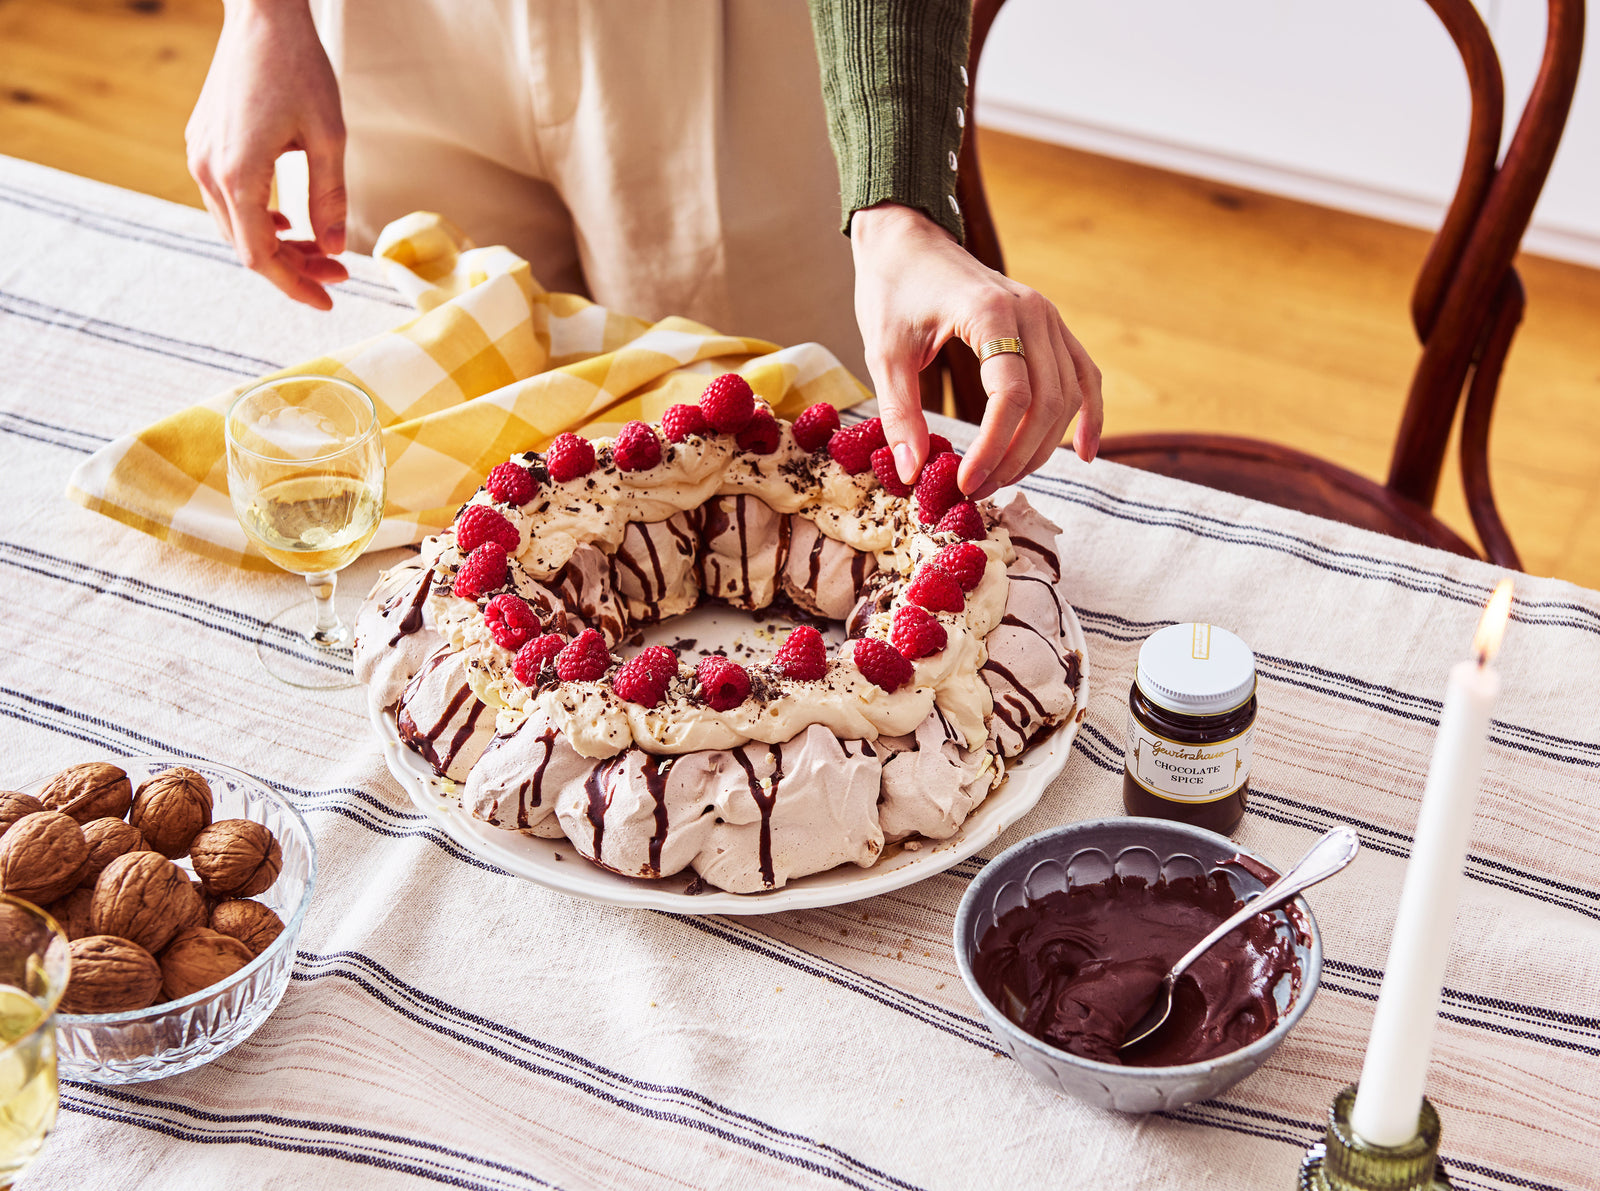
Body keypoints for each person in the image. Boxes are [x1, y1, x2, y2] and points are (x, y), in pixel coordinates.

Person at [186, 0, 1102, 498]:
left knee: (779, 474)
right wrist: (258, 13)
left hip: (717, 45)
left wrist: (896, 201)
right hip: (398, 33)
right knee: (438, 488)